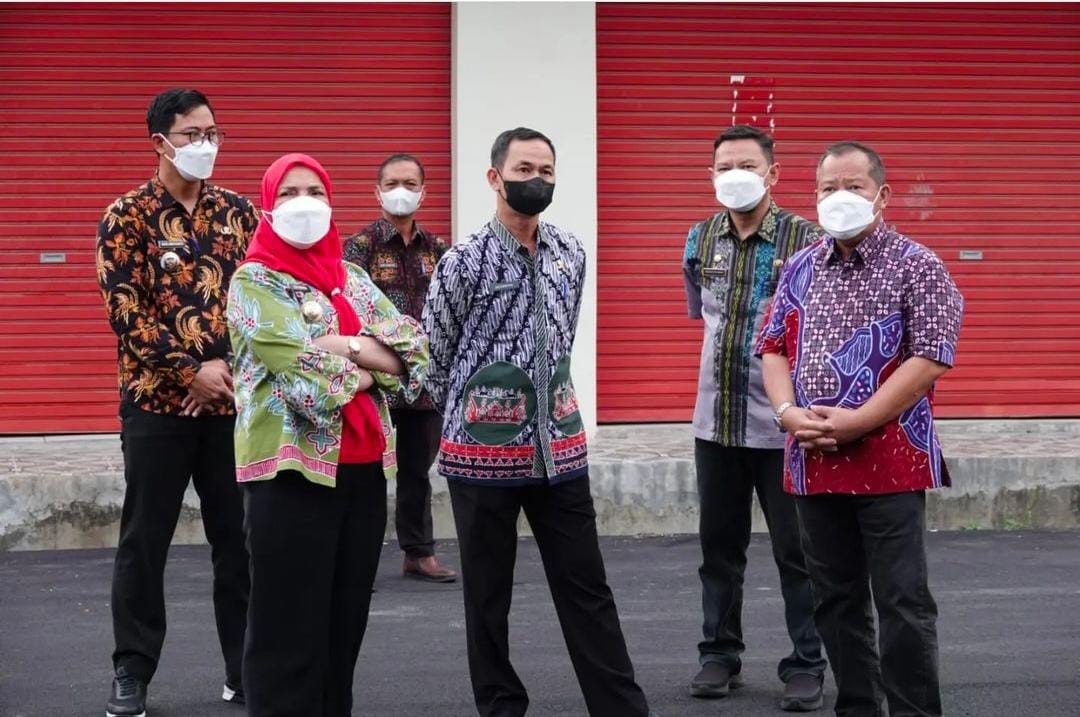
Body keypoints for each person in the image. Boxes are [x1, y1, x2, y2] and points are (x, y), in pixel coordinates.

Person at [423, 127, 654, 717]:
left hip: (560, 451)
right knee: (488, 596)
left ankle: (621, 706)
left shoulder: (571, 252)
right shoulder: (462, 263)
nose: (538, 181)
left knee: (588, 590)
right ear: (495, 177)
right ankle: (501, 705)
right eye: (525, 169)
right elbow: (435, 358)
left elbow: (564, 337)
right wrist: (481, 418)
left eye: (548, 171)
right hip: (480, 459)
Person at [757, 141, 963, 717]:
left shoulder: (919, 266)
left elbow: (930, 357)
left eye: (853, 187)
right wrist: (787, 413)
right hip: (812, 460)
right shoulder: (799, 267)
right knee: (835, 600)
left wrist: (859, 422)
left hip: (890, 463)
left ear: (882, 195)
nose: (839, 198)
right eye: (827, 189)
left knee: (902, 604)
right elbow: (772, 348)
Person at [226, 153, 428, 716]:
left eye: (314, 189)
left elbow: (416, 351)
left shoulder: (353, 277)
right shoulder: (253, 282)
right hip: (289, 475)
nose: (303, 202)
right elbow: (301, 378)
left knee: (343, 628)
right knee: (286, 629)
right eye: (288, 192)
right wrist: (371, 362)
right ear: (267, 205)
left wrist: (344, 349)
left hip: (363, 471)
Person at [96, 88, 255, 717]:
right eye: (192, 134)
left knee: (238, 544)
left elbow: (260, 301)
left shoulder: (241, 213)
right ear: (160, 141)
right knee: (145, 541)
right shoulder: (126, 216)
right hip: (156, 408)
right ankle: (132, 671)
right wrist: (190, 371)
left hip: (232, 409)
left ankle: (244, 669)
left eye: (212, 131)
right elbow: (124, 310)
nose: (205, 144)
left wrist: (224, 375)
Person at [682, 124, 827, 711]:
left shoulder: (808, 239)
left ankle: (807, 663)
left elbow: (818, 330)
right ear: (711, 174)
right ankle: (719, 656)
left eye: (747, 164)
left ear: (773, 173)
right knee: (719, 548)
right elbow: (704, 318)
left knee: (800, 552)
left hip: (783, 425)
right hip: (714, 421)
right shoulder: (698, 238)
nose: (734, 175)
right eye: (724, 166)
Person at [343, 153, 456, 583]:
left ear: (424, 192)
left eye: (410, 183)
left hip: (424, 380)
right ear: (377, 191)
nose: (401, 191)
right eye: (392, 183)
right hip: (376, 378)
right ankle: (357, 557)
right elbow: (347, 307)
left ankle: (418, 552)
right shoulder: (358, 248)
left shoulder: (440, 250)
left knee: (415, 471)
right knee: (365, 469)